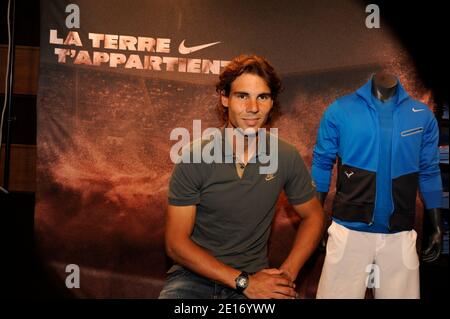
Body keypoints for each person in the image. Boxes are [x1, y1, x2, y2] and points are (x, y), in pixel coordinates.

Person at [159, 54, 325, 299]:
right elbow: (175, 244)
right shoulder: (194, 156)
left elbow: (314, 216)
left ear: (272, 103)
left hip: (255, 278)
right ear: (225, 98)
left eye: (263, 97)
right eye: (242, 96)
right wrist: (244, 282)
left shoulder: (286, 156)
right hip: (193, 278)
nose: (253, 108)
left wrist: (286, 275)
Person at [312, 71, 443, 299]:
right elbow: (322, 164)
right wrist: (315, 222)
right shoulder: (341, 110)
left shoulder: (421, 116)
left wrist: (436, 225)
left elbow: (429, 171)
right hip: (348, 232)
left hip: (399, 236)